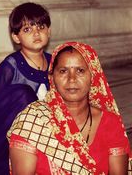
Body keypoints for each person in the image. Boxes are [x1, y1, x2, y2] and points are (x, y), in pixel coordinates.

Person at [8, 42, 131, 174]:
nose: (72, 79)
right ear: (51, 77)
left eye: (80, 71)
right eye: (63, 71)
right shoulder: (32, 122)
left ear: (93, 76)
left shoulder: (110, 123)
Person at [0, 2, 52, 174]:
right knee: (24, 94)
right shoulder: (11, 66)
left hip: (42, 134)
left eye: (41, 26)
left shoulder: (54, 63)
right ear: (16, 37)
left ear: (49, 31)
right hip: (4, 138)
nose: (36, 33)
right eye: (27, 29)